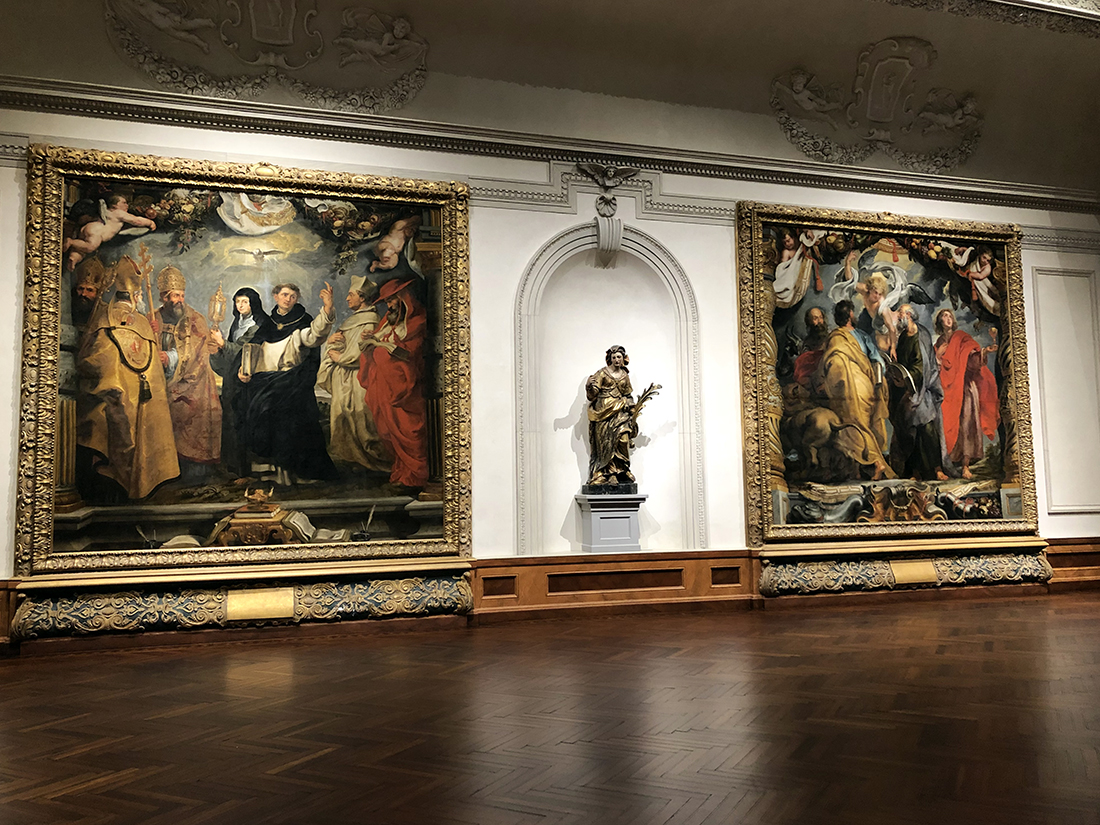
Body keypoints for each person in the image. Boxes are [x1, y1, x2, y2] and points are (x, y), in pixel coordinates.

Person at [75, 255, 179, 499]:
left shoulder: (104, 320)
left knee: (101, 415)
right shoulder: (143, 324)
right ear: (135, 297)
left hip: (118, 399)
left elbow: (91, 364)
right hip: (144, 400)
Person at [234, 282, 337, 485]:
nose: (287, 299)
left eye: (291, 296)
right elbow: (253, 348)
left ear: (296, 298)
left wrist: (327, 309)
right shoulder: (269, 322)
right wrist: (243, 369)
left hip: (293, 382)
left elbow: (315, 335)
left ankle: (298, 473)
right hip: (268, 381)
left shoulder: (303, 322)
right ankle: (273, 470)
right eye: (283, 295)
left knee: (292, 423)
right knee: (259, 414)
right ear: (275, 296)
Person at [358, 278, 429, 491]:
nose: (389, 306)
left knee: (408, 429)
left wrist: (380, 347)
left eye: (392, 300)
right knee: (387, 429)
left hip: (404, 388)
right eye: (387, 302)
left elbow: (407, 354)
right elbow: (377, 346)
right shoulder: (386, 323)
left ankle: (415, 476)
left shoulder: (417, 321)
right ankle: (401, 473)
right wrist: (370, 341)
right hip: (384, 387)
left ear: (404, 300)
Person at [152, 265, 222, 478]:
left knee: (196, 420)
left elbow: (196, 350)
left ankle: (195, 475)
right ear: (164, 297)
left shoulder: (195, 319)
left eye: (182, 295)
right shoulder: (153, 318)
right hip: (160, 382)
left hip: (194, 383)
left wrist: (170, 357)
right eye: (175, 295)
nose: (180, 300)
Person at [317, 276, 389, 472]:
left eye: (351, 295)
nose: (347, 299)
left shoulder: (371, 320)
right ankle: (352, 460)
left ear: (363, 297)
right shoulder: (352, 320)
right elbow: (340, 342)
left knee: (362, 419)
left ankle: (370, 460)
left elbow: (363, 350)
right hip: (343, 377)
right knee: (342, 417)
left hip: (360, 376)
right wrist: (332, 341)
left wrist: (340, 357)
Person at [820, 300, 894, 481]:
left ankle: (874, 463)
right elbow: (878, 362)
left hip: (844, 387)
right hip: (864, 385)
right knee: (861, 425)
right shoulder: (862, 336)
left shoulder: (833, 338)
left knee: (852, 425)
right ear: (851, 315)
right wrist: (878, 378)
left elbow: (827, 366)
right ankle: (868, 467)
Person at [209, 287, 271, 478]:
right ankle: (231, 466)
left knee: (244, 422)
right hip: (233, 380)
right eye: (237, 301)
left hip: (250, 382)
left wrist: (222, 344)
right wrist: (217, 351)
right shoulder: (238, 323)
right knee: (230, 420)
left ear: (253, 303)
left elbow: (246, 350)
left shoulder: (261, 324)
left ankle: (245, 470)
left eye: (244, 301)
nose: (240, 305)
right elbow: (230, 354)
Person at [934, 308, 999, 479]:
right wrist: (938, 357)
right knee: (947, 424)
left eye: (949, 316)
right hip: (947, 391)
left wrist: (984, 352)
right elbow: (935, 367)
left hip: (965, 386)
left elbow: (972, 357)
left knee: (967, 424)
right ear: (940, 322)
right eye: (943, 316)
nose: (947, 318)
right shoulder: (939, 343)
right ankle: (948, 462)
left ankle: (965, 466)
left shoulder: (961, 337)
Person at [889, 304, 949, 481]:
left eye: (900, 313)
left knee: (927, 428)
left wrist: (909, 383)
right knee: (909, 431)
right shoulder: (904, 337)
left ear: (909, 315)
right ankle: (914, 471)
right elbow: (903, 364)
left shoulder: (920, 335)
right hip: (908, 390)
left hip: (923, 389)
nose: (898, 316)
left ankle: (937, 469)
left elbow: (923, 367)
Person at [584, 345, 638, 486]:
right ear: (610, 359)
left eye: (619, 357)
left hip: (620, 413)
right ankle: (611, 473)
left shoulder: (624, 376)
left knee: (623, 440)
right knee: (606, 443)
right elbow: (593, 394)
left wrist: (631, 405)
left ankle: (623, 469)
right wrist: (589, 385)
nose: (616, 360)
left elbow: (628, 395)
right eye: (614, 357)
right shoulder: (602, 373)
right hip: (603, 413)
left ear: (623, 358)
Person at [63, 194, 156, 271]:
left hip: (90, 227)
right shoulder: (119, 213)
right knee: (90, 247)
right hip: (97, 231)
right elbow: (136, 221)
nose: (126, 205)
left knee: (82, 249)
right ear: (115, 205)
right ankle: (70, 242)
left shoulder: (108, 212)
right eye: (123, 203)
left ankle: (73, 259)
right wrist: (150, 222)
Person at [71, 256, 109, 328]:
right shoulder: (71, 308)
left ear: (98, 292)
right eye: (80, 289)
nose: (83, 294)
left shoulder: (104, 312)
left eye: (89, 290)